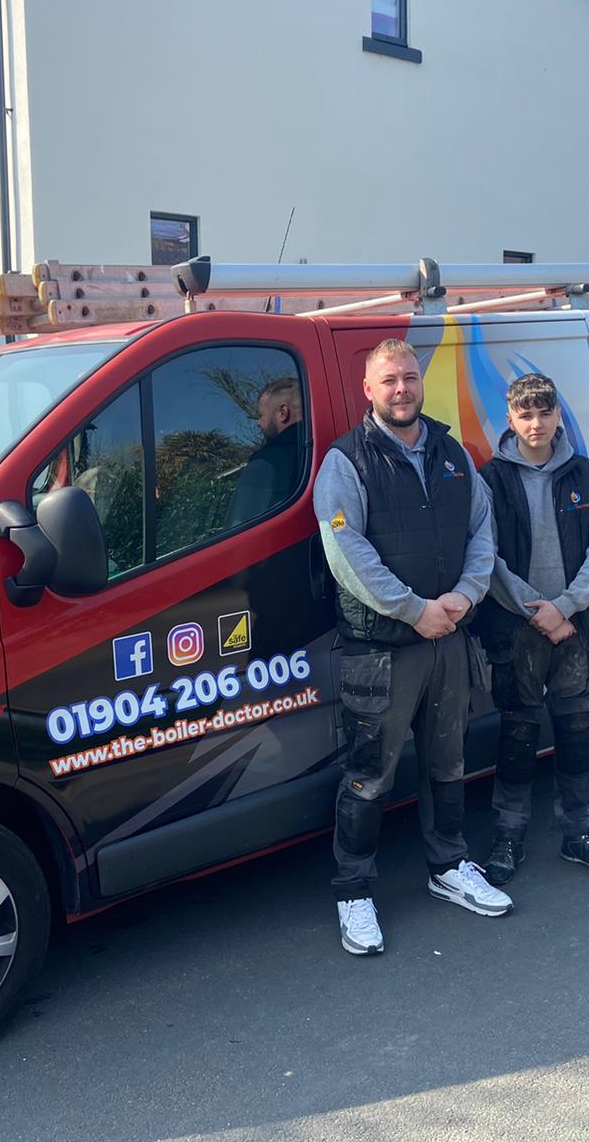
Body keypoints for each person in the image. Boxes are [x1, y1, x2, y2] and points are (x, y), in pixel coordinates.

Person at [313, 337, 512, 956]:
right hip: (381, 649)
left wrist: (467, 595)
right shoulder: (346, 462)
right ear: (368, 391)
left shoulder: (451, 454)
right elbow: (347, 554)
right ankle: (353, 892)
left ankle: (449, 866)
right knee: (370, 774)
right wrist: (415, 610)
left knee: (447, 761)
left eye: (409, 378)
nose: (402, 389)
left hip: (449, 637)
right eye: (389, 381)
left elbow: (484, 530)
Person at [474, 372, 589, 886]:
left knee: (576, 727)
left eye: (544, 412)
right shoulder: (490, 479)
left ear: (558, 415)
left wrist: (564, 608)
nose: (536, 423)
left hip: (574, 627)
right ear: (510, 419)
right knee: (518, 731)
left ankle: (579, 832)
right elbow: (485, 556)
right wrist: (533, 609)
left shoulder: (585, 475)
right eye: (525, 414)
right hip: (516, 627)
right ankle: (509, 835)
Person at [227, 376, 305, 525]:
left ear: (283, 413)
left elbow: (240, 526)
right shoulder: (329, 451)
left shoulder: (265, 463)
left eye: (261, 415)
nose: (258, 423)